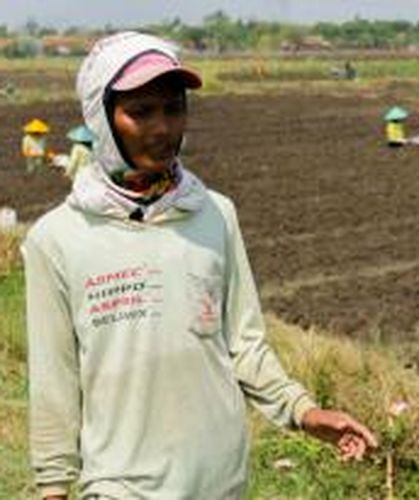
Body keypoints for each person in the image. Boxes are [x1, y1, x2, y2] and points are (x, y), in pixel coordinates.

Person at [22, 31, 377, 500]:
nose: (162, 127)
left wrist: (305, 411)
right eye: (140, 111)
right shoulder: (57, 239)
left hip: (221, 481)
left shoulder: (214, 214)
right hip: (121, 486)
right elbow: (54, 380)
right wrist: (53, 486)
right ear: (102, 119)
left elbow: (243, 345)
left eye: (173, 107)